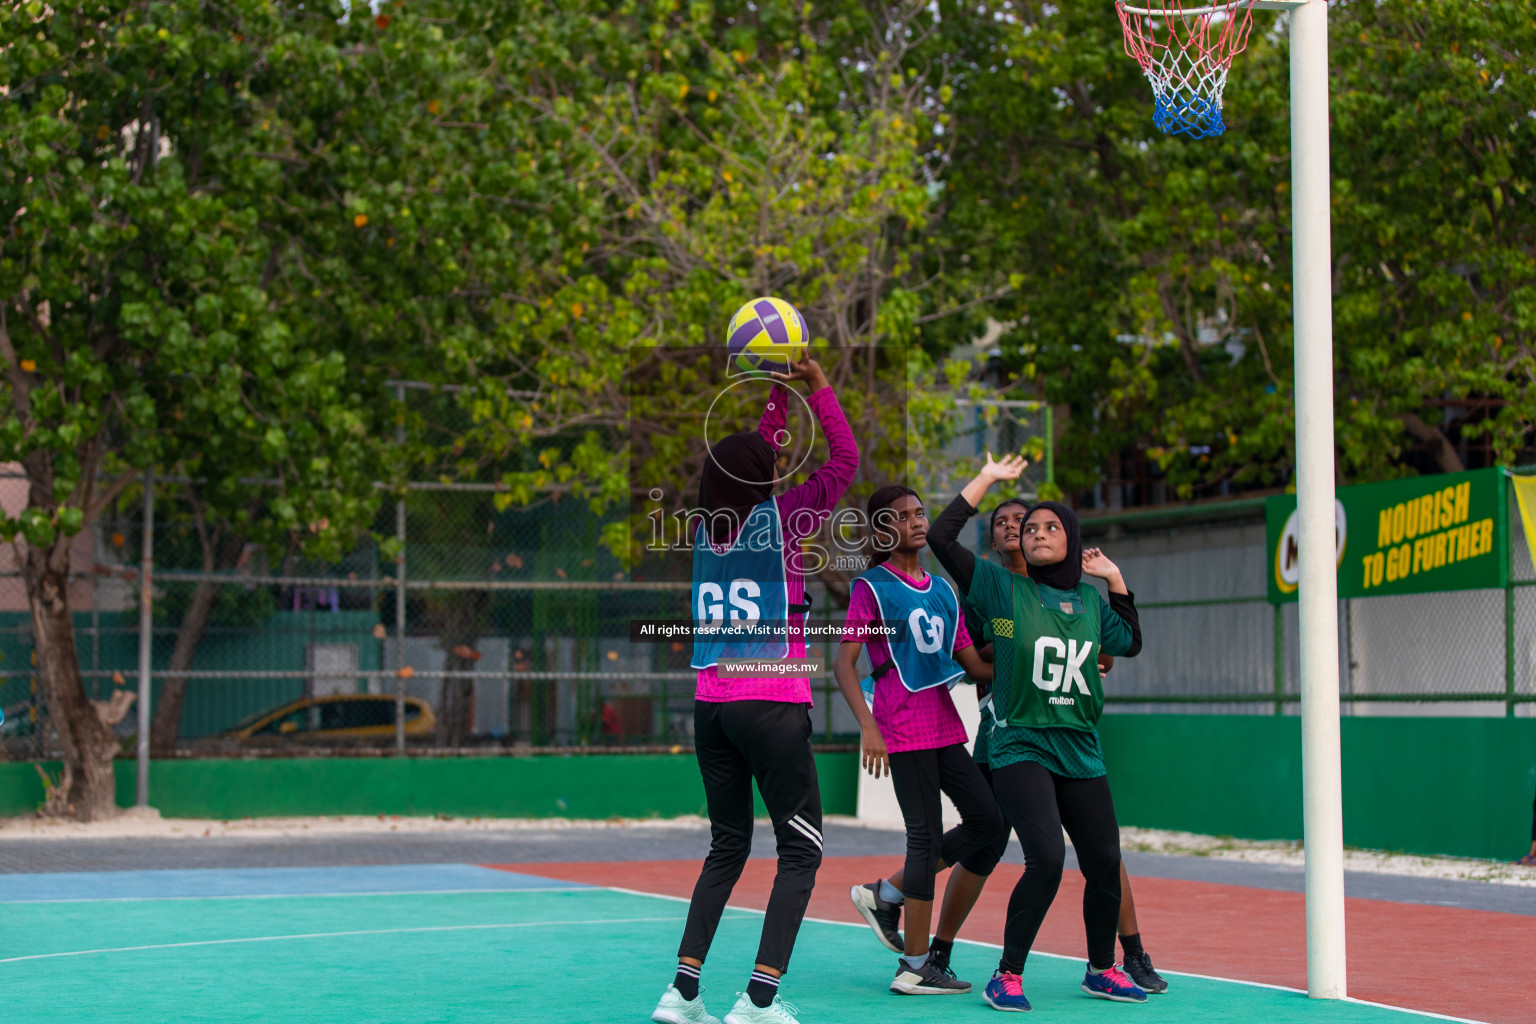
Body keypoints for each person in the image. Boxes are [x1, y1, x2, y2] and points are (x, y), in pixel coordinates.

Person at [652, 357, 857, 1024]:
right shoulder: (784, 519)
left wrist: (777, 392)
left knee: (728, 846)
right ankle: (759, 999)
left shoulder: (703, 534)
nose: (776, 471)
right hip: (770, 701)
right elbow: (844, 460)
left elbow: (752, 457)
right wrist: (817, 386)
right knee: (802, 850)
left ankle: (682, 994)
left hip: (711, 706)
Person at [927, 453, 1148, 1011]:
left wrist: (1115, 577)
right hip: (1020, 740)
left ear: (1071, 540)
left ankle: (1103, 968)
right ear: (1018, 544)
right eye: (1030, 529)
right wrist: (987, 480)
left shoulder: (1090, 603)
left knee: (1103, 859)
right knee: (1046, 859)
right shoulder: (1003, 589)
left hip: (1079, 745)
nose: (1038, 534)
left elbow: (1131, 641)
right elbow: (941, 535)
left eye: (1052, 527)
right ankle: (1006, 974)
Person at [833, 485, 1007, 996]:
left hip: (944, 723)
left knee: (987, 821)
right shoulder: (873, 587)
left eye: (919, 513)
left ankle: (885, 892)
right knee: (925, 837)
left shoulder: (943, 591)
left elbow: (972, 664)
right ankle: (913, 964)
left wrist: (1021, 640)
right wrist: (869, 726)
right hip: (901, 726)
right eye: (902, 516)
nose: (915, 521)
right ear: (884, 530)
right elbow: (843, 665)